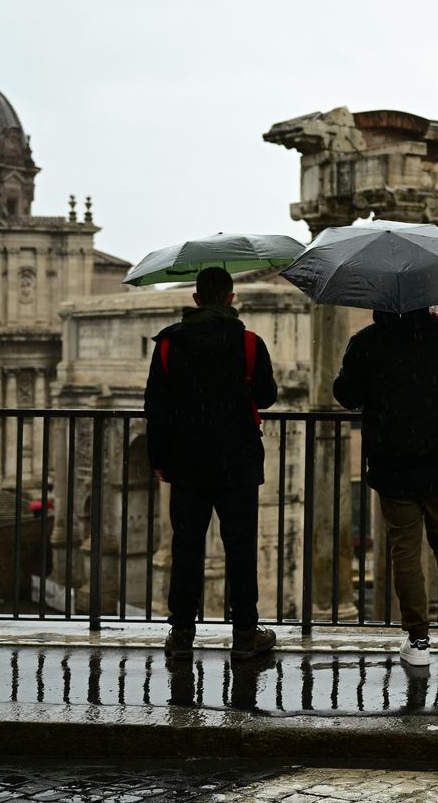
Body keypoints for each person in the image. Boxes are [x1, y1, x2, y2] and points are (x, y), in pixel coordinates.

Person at [333, 307, 438, 666]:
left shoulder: (366, 342)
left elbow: (345, 395)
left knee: (404, 550)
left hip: (393, 462)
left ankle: (418, 640)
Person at [145, 267, 278, 661]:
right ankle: (245, 634)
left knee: (186, 548)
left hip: (187, 462)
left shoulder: (168, 344)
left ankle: (182, 633)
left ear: (196, 299)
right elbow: (267, 396)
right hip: (237, 461)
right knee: (241, 549)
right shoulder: (249, 343)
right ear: (231, 298)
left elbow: (156, 407)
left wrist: (159, 459)